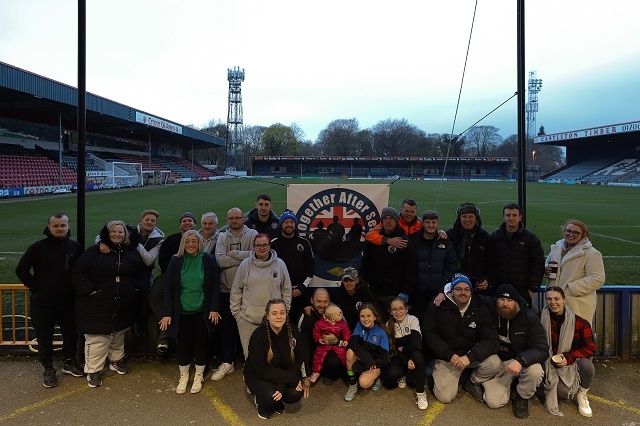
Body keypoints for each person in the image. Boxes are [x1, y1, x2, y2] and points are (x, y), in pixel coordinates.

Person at [72, 220, 147, 388]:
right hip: (96, 305)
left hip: (123, 304)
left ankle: (116, 361)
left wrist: (136, 289)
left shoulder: (131, 253)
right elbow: (78, 272)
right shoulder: (94, 252)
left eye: (120, 232)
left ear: (125, 235)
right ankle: (93, 370)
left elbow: (142, 272)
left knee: (118, 335)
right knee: (97, 339)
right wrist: (90, 291)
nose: (117, 235)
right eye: (113, 232)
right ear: (106, 234)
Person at [15, 213, 84, 388]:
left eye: (63, 225)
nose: (60, 228)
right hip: (43, 304)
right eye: (56, 226)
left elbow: (82, 270)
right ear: (49, 227)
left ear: (68, 226)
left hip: (68, 303)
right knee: (44, 337)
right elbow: (21, 270)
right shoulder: (37, 247)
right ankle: (48, 368)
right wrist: (36, 287)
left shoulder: (75, 247)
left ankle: (69, 362)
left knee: (71, 334)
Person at [159, 230, 220, 394]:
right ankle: (184, 376)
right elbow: (168, 289)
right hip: (182, 312)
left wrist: (214, 308)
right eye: (187, 241)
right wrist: (167, 313)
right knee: (183, 344)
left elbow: (214, 286)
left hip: (201, 311)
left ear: (199, 243)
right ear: (183, 244)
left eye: (194, 241)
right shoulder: (176, 261)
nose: (191, 244)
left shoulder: (208, 260)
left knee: (201, 343)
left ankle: (198, 375)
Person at [423, 274, 500, 404]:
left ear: (471, 291)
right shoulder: (437, 305)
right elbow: (429, 333)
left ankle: (472, 381)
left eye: (466, 289)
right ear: (451, 291)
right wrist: (449, 354)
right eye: (458, 289)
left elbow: (492, 340)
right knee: (445, 397)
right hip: (447, 359)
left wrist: (470, 356)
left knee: (495, 363)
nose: (463, 292)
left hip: (469, 358)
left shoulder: (480, 308)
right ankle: (454, 375)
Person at [480, 284, 548, 418]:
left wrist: (521, 360)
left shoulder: (529, 318)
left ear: (516, 302)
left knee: (536, 371)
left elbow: (542, 349)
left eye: (510, 300)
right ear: (496, 300)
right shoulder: (490, 308)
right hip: (501, 364)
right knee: (493, 402)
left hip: (520, 362)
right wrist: (443, 291)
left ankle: (522, 396)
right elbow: (466, 293)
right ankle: (499, 384)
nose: (505, 304)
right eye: (501, 300)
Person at [211, 207, 257, 381]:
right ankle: (228, 362)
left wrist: (235, 254)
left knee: (249, 327)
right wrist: (244, 258)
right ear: (227, 219)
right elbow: (220, 260)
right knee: (227, 328)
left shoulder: (252, 234)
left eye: (238, 217)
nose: (234, 221)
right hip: (226, 289)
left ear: (243, 219)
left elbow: (255, 256)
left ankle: (251, 361)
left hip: (248, 291)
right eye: (231, 218)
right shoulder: (222, 236)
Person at [230, 233, 292, 361]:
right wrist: (237, 315)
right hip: (247, 319)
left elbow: (286, 290)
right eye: (258, 245)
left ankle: (270, 378)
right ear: (253, 247)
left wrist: (284, 312)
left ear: (270, 246)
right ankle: (251, 376)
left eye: (264, 245)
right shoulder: (245, 265)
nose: (261, 248)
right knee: (250, 354)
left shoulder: (280, 264)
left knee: (273, 354)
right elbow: (236, 290)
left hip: (273, 319)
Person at [244, 299, 306, 419]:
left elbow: (299, 359)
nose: (279, 316)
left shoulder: (294, 332)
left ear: (286, 315)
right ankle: (262, 403)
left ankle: (277, 401)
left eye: (282, 313)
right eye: (274, 313)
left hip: (284, 372)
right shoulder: (258, 336)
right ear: (267, 316)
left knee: (295, 393)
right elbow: (260, 370)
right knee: (270, 397)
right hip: (259, 374)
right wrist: (290, 379)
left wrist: (281, 385)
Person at [541, 286, 596, 418]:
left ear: (565, 300)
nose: (553, 302)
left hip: (570, 363)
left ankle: (582, 394)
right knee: (563, 394)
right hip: (548, 362)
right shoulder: (539, 319)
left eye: (557, 298)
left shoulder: (580, 322)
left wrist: (568, 357)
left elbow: (590, 348)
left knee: (587, 366)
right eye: (549, 299)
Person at [150, 212, 196, 353]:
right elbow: (163, 260)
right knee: (154, 295)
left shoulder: (197, 239)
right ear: (180, 224)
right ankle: (169, 327)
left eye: (190, 221)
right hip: (169, 275)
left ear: (194, 224)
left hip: (190, 277)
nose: (187, 223)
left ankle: (164, 336)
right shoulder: (171, 239)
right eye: (184, 221)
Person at [361, 207, 416, 322]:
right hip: (375, 293)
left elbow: (411, 269)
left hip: (395, 294)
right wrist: (364, 284)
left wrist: (405, 292)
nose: (388, 221)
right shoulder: (373, 241)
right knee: (377, 325)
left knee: (395, 328)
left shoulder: (404, 242)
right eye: (385, 218)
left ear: (397, 221)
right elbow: (366, 264)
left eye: (391, 218)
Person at [545, 219, 605, 325]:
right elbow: (548, 265)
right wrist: (546, 270)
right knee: (554, 336)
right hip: (555, 301)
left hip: (576, 303)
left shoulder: (591, 253)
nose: (571, 234)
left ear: (583, 235)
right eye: (568, 231)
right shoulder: (556, 249)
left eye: (576, 232)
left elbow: (597, 279)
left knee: (576, 337)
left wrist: (571, 288)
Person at [490, 203, 545, 307]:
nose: (511, 218)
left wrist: (532, 289)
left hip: (522, 290)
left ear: (520, 217)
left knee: (521, 320)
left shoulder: (530, 238)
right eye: (508, 215)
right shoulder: (495, 236)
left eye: (514, 215)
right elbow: (490, 261)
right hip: (499, 288)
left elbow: (538, 264)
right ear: (503, 217)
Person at [409, 209, 457, 323]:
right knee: (418, 322)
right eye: (428, 222)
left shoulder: (445, 242)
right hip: (418, 293)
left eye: (434, 222)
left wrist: (443, 285)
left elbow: (452, 265)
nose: (431, 225)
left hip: (439, 293)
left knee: (437, 323)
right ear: (423, 223)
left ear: (438, 223)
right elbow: (408, 265)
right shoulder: (414, 240)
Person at [382, 297, 428, 410]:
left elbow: (417, 345)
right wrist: (406, 360)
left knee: (417, 356)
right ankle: (403, 375)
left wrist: (404, 349)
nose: (398, 312)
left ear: (406, 309)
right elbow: (394, 350)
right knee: (391, 375)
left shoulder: (412, 320)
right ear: (390, 311)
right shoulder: (389, 325)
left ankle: (421, 394)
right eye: (394, 309)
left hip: (414, 354)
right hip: (400, 356)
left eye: (401, 308)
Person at [270, 210, 314, 321]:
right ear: (281, 225)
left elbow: (310, 267)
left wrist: (302, 287)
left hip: (301, 293)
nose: (289, 224)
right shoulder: (274, 244)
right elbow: (270, 269)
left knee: (302, 324)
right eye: (286, 222)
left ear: (295, 224)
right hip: (280, 293)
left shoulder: (304, 243)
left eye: (291, 222)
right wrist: (283, 289)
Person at [296, 288, 345, 386]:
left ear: (329, 301)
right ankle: (310, 371)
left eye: (325, 301)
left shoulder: (337, 313)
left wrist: (337, 341)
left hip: (329, 348)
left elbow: (346, 334)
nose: (322, 305)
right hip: (310, 348)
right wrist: (305, 376)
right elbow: (300, 344)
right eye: (318, 301)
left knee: (335, 362)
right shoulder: (305, 315)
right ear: (311, 301)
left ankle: (327, 374)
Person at [343, 303, 392, 402]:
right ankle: (352, 384)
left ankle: (376, 377)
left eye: (369, 316)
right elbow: (352, 342)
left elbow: (384, 359)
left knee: (364, 383)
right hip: (366, 360)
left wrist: (371, 363)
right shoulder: (359, 325)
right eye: (362, 316)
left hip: (375, 364)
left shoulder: (381, 333)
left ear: (375, 317)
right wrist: (367, 359)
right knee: (350, 352)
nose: (365, 319)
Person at [446, 203, 494, 296]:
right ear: (459, 218)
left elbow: (492, 263)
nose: (467, 220)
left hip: (479, 286)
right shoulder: (450, 236)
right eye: (464, 216)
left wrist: (487, 280)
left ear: (476, 218)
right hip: (456, 285)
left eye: (471, 216)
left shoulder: (484, 237)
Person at [309, 305, 351, 383]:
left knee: (343, 354)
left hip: (336, 344)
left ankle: (347, 370)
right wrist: (318, 339)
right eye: (339, 314)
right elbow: (316, 331)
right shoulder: (320, 323)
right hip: (324, 344)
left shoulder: (341, 323)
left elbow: (346, 332)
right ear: (333, 318)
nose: (342, 315)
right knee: (318, 357)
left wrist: (346, 340)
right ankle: (316, 372)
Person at [329, 267, 373, 331]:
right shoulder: (336, 294)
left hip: (362, 328)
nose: (348, 283)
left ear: (357, 280)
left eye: (351, 280)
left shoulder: (365, 293)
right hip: (342, 329)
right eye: (345, 280)